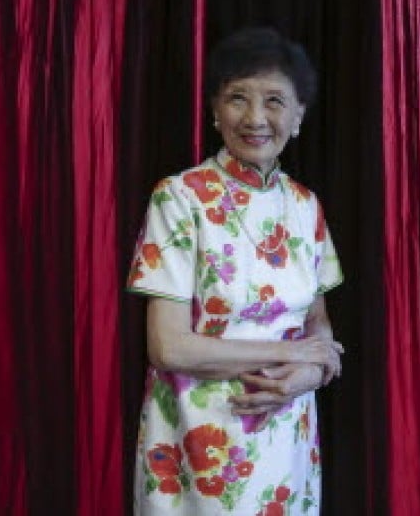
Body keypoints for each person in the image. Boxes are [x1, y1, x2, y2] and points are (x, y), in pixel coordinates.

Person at [127, 27, 344, 515]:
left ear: (299, 115)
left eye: (274, 100)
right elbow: (169, 346)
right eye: (238, 98)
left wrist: (308, 373)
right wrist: (296, 353)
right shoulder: (180, 197)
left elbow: (320, 326)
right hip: (199, 441)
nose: (255, 118)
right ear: (214, 110)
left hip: (287, 438)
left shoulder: (307, 207)